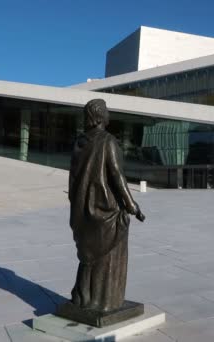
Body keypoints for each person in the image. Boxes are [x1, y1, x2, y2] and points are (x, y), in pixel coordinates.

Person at [67, 99, 145, 312]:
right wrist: (131, 205)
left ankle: (83, 298)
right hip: (107, 210)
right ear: (100, 115)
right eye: (107, 111)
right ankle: (104, 301)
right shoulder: (108, 141)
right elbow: (117, 175)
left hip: (83, 210)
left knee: (88, 255)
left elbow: (73, 180)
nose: (109, 114)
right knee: (106, 255)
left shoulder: (79, 144)